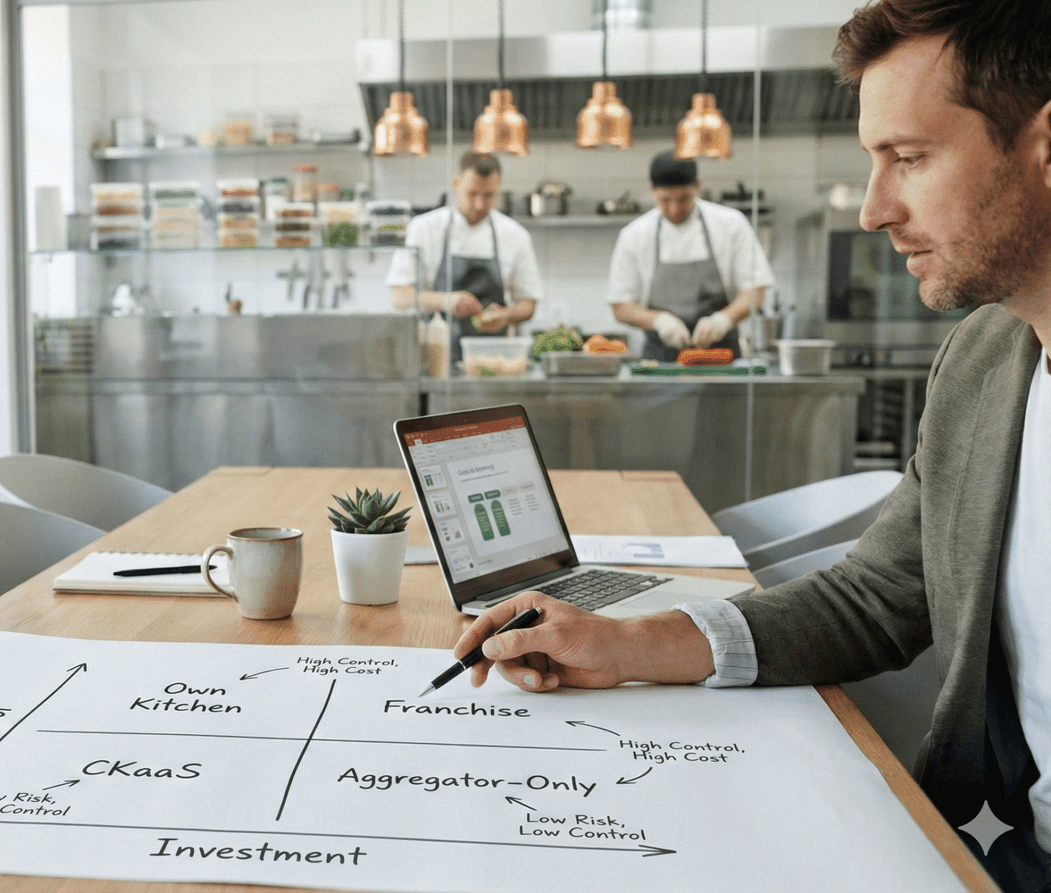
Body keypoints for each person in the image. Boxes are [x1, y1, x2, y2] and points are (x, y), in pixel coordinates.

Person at [452, 3, 1051, 890]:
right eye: (872, 161)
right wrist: (625, 645)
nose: (875, 210)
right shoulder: (986, 360)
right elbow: (877, 595)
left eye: (910, 158)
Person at [605, 150, 773, 361]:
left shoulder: (731, 224)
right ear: (650, 189)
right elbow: (620, 306)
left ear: (698, 186)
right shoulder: (634, 235)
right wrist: (659, 321)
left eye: (684, 199)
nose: (674, 209)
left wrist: (723, 320)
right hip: (659, 360)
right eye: (664, 200)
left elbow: (755, 292)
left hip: (721, 359)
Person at [386, 151, 541, 359]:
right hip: (433, 358)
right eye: (472, 193)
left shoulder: (515, 235)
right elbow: (399, 296)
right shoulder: (423, 228)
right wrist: (445, 301)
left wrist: (507, 315)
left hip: (494, 359)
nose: (479, 204)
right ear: (456, 183)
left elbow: (528, 304)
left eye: (488, 195)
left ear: (499, 186)